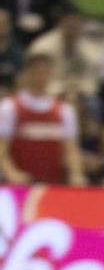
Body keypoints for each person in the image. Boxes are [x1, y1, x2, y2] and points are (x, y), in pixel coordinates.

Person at [0, 52, 85, 185]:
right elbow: (2, 148)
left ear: (51, 74)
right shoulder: (9, 107)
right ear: (26, 74)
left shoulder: (65, 111)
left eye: (44, 71)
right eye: (35, 71)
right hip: (19, 186)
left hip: (53, 186)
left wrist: (77, 175)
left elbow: (71, 150)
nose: (40, 76)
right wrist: (11, 173)